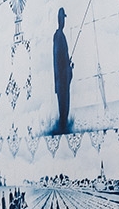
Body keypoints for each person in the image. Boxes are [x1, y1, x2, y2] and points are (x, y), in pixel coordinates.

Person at [53, 7, 73, 135]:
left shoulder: (60, 35)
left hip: (63, 77)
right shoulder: (59, 36)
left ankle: (63, 126)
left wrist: (68, 64)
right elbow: (59, 58)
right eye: (62, 18)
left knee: (65, 104)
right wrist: (66, 66)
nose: (63, 21)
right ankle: (63, 127)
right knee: (64, 104)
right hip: (62, 78)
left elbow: (61, 57)